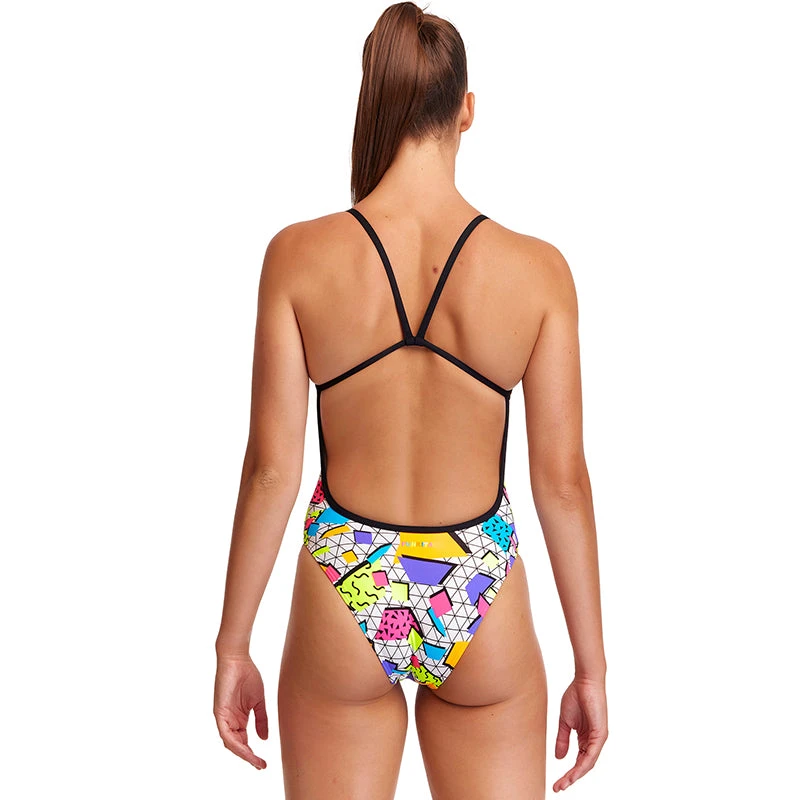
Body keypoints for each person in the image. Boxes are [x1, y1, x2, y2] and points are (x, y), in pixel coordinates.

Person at [213, 3, 607, 797]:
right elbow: (561, 483)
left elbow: (269, 471)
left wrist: (232, 644)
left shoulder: (297, 257)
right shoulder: (538, 273)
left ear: (378, 101)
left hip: (346, 577)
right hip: (477, 582)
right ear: (467, 110)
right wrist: (591, 666)